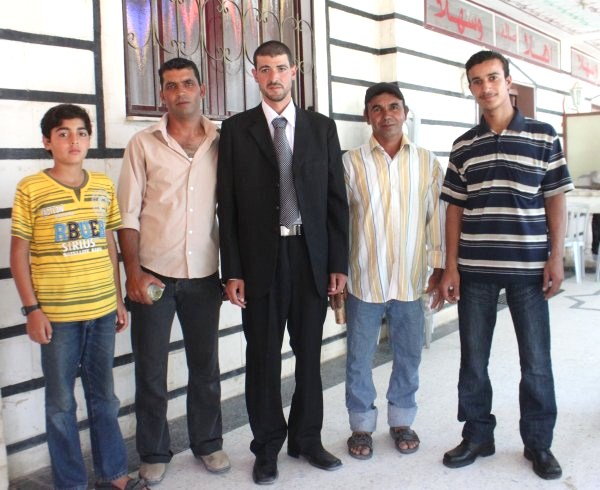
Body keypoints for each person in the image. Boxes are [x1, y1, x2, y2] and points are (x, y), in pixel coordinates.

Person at [217, 40, 349, 485]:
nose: (273, 76)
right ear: (254, 75)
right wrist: (232, 270)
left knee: (310, 354)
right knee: (262, 358)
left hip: (310, 257)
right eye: (264, 69)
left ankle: (307, 439)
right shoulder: (236, 130)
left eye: (280, 68)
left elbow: (336, 200)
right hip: (260, 263)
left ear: (294, 71)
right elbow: (227, 206)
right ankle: (267, 447)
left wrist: (338, 262)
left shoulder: (320, 128)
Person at [438, 50, 573, 480]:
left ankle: (539, 443)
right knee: (473, 360)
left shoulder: (544, 136)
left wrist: (556, 256)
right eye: (477, 81)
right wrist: (451, 267)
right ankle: (478, 435)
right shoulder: (464, 145)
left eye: (493, 77)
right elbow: (454, 209)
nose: (486, 87)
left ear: (508, 81)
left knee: (536, 362)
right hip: (475, 269)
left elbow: (555, 199)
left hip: (529, 270)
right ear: (471, 88)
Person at [10, 104, 147, 490]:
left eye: (81, 132)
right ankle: (70, 483)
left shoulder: (102, 185)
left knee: (105, 397)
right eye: (63, 133)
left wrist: (117, 299)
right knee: (61, 405)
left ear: (89, 139)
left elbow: (109, 244)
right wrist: (32, 309)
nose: (74, 140)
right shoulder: (31, 189)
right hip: (57, 316)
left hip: (101, 311)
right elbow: (18, 253)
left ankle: (114, 474)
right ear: (47, 141)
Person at [117, 58, 229, 484]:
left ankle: (208, 443)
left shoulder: (222, 142)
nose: (180, 91)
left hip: (203, 275)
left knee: (206, 367)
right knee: (150, 371)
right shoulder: (143, 144)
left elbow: (232, 210)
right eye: (171, 85)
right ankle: (153, 451)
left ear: (202, 89)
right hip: (153, 275)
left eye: (187, 83)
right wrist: (133, 273)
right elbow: (127, 214)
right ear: (162, 94)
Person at [343, 83, 446, 460]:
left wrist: (439, 267)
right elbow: (339, 220)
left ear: (405, 112)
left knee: (408, 355)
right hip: (363, 279)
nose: (386, 115)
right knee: (358, 359)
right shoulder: (350, 163)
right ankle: (361, 426)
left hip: (410, 278)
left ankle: (402, 420)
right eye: (377, 108)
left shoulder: (426, 162)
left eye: (393, 107)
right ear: (367, 116)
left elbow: (437, 218)